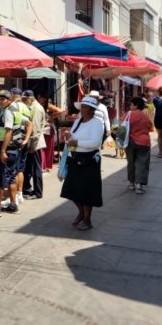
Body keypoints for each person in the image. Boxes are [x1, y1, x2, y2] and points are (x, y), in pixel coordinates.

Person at [61, 96, 105, 230]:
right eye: (82, 106)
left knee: (87, 191)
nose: (82, 109)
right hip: (75, 157)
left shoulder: (97, 123)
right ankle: (81, 213)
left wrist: (77, 142)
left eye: (85, 107)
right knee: (71, 189)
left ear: (92, 110)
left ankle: (87, 220)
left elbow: (96, 143)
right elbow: (73, 137)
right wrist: (69, 137)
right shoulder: (78, 121)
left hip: (89, 160)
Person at [8, 87, 33, 205]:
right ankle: (20, 194)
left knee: (15, 170)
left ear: (13, 95)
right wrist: (27, 138)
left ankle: (14, 197)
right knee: (21, 170)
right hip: (24, 141)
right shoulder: (26, 107)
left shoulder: (14, 106)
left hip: (16, 141)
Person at [125, 97, 154, 194]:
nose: (130, 106)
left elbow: (122, 126)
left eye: (131, 104)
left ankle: (131, 183)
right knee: (142, 163)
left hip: (130, 141)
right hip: (144, 142)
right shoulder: (145, 116)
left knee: (131, 162)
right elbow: (150, 127)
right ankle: (139, 185)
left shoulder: (128, 114)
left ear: (136, 105)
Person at [22, 90, 46, 199]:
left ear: (30, 98)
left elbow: (35, 129)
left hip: (35, 143)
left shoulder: (36, 108)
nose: (23, 101)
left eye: (24, 99)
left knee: (36, 169)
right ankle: (30, 190)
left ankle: (37, 192)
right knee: (31, 168)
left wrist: (33, 146)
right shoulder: (34, 107)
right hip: (33, 142)